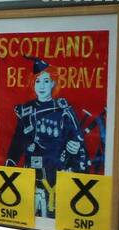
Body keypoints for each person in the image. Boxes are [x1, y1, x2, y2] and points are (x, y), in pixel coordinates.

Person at [5, 58, 88, 220]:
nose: (42, 86)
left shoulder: (64, 109)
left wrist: (76, 147)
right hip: (32, 173)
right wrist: (10, 163)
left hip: (57, 172)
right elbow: (17, 141)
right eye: (37, 81)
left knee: (55, 217)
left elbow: (77, 139)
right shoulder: (25, 111)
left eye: (46, 81)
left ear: (53, 84)